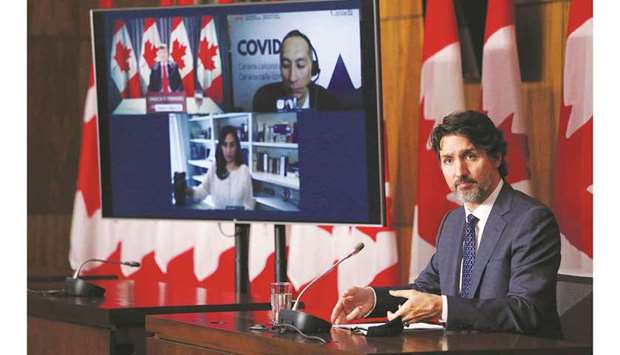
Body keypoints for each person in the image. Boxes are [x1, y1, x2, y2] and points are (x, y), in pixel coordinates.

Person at [331, 110, 562, 338]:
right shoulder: (453, 222)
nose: (459, 172)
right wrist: (373, 299)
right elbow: (426, 290)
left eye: (470, 156)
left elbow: (527, 311)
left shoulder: (531, 221)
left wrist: (443, 307)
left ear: (497, 157)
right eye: (448, 160)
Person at [252, 30, 341, 112]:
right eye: (286, 65)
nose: (292, 78)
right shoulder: (264, 99)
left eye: (300, 65)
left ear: (312, 68)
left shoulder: (329, 103)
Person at [187, 126, 255, 210]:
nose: (228, 150)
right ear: (220, 147)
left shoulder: (244, 171)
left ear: (237, 147)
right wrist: (185, 190)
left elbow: (249, 204)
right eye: (225, 145)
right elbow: (200, 193)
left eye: (232, 145)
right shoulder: (214, 168)